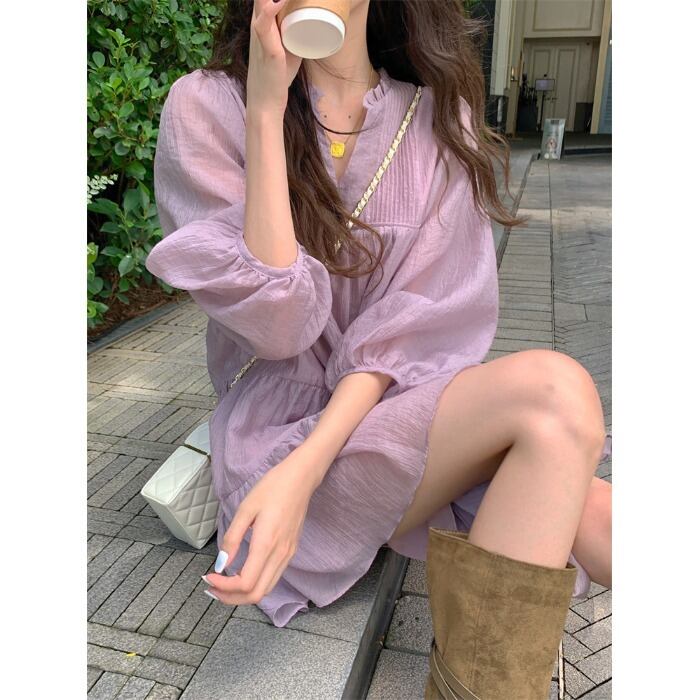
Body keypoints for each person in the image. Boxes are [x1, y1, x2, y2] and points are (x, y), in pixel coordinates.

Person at [145, 1, 612, 697]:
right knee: (555, 398)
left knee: (594, 503)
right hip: (276, 444)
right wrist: (266, 111)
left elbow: (413, 331)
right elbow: (278, 328)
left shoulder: (437, 119)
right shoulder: (208, 105)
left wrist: (310, 465)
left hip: (375, 418)